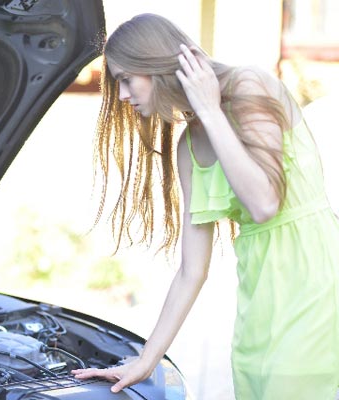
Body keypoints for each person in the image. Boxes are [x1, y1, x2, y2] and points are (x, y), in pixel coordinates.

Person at [70, 13, 339, 399]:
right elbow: (191, 270)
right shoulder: (188, 147)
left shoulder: (250, 85)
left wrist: (212, 111)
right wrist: (147, 358)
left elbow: (264, 203)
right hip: (258, 303)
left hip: (315, 283)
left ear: (155, 63)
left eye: (127, 79)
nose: (124, 95)